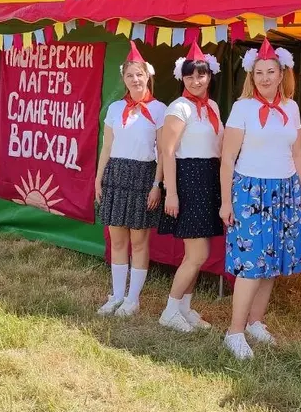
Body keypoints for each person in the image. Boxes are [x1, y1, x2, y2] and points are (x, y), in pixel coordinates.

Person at [220, 38, 301, 360]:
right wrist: (226, 202)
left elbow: (296, 151)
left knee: (271, 263)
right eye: (259, 73)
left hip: (284, 190)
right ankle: (234, 331)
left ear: (282, 73)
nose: (266, 78)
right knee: (252, 265)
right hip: (250, 191)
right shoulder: (242, 108)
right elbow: (227, 158)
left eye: (271, 72)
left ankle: (256, 322)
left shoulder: (292, 107)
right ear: (251, 76)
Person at [94, 42, 166, 317]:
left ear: (148, 75)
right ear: (123, 79)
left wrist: (156, 185)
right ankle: (117, 295)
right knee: (117, 240)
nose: (135, 80)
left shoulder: (160, 109)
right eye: (129, 76)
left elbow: (162, 151)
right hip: (116, 174)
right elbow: (107, 147)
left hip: (143, 175)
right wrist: (99, 179)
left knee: (139, 241)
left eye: (139, 74)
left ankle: (133, 299)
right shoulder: (114, 109)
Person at [158, 41, 224, 332]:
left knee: (200, 253)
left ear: (210, 75)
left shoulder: (212, 106)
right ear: (182, 79)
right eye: (190, 76)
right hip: (189, 179)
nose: (196, 81)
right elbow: (168, 151)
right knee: (196, 254)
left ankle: (184, 307)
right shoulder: (178, 107)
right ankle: (170, 310)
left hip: (209, 177)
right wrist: (170, 192)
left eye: (201, 75)